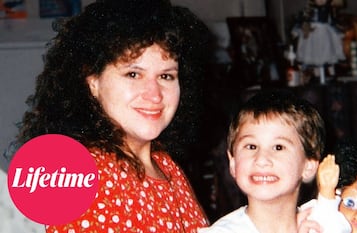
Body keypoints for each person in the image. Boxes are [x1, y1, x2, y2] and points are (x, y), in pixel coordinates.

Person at [10, 0, 211, 232]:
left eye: (166, 76)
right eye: (133, 73)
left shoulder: (165, 164)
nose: (155, 95)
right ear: (93, 81)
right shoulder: (78, 174)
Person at [199, 90, 326, 233]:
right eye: (251, 146)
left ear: (308, 166)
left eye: (278, 147)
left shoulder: (322, 222)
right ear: (233, 163)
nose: (261, 159)